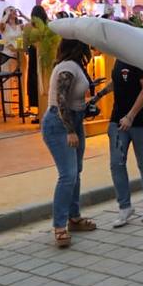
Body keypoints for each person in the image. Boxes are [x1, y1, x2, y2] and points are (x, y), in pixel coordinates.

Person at [44, 39, 96, 247]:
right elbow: (62, 99)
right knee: (68, 175)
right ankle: (59, 226)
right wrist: (70, 130)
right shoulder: (67, 68)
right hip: (60, 123)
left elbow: (73, 100)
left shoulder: (73, 65)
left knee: (76, 172)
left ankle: (74, 217)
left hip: (73, 120)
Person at [107, 48, 143, 224]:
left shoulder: (140, 58)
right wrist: (99, 94)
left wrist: (131, 116)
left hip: (142, 121)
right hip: (118, 119)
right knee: (116, 163)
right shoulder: (118, 58)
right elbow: (117, 82)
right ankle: (125, 206)